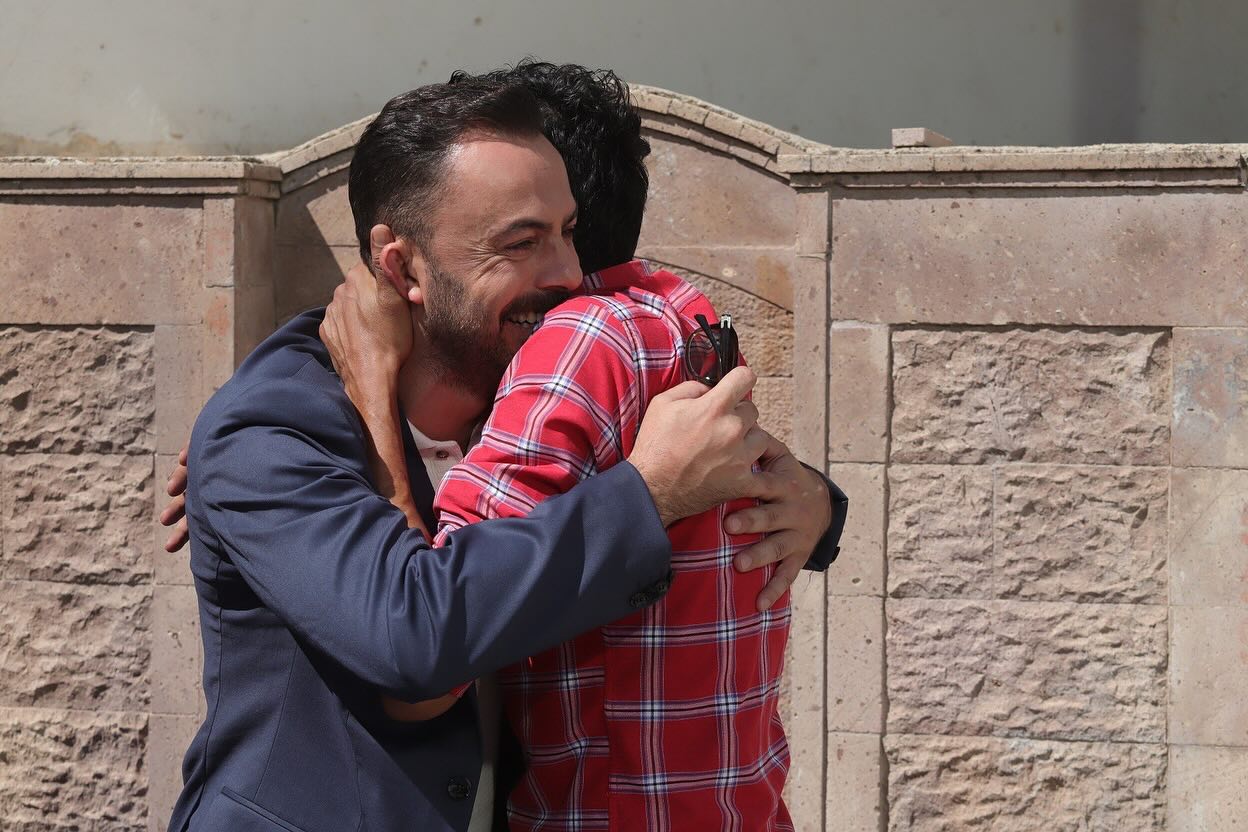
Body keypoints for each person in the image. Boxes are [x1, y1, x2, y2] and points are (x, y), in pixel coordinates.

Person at [161, 68, 844, 832]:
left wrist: (816, 500)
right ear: (402, 267)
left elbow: (667, 465)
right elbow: (416, 643)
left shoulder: (518, 389)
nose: (568, 274)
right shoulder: (271, 430)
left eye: (567, 232)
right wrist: (650, 493)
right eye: (522, 242)